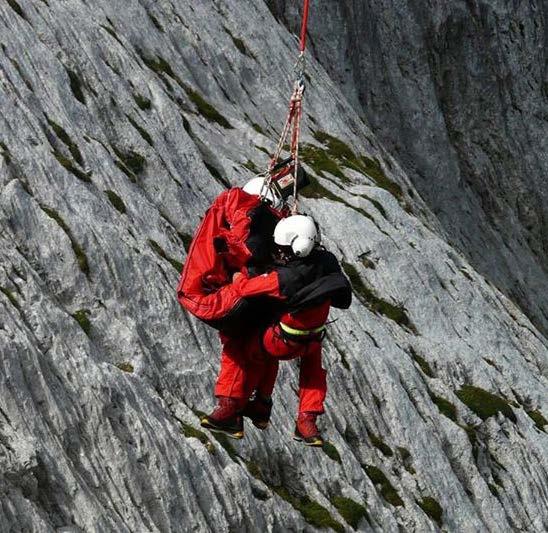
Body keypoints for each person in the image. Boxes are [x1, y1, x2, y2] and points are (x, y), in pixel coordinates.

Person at [201, 215, 352, 446]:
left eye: (283, 249)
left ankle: (230, 408)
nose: (279, 253)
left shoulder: (285, 279)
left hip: (282, 342)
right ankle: (306, 420)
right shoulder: (327, 261)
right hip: (313, 339)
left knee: (240, 347)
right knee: (312, 372)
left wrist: (238, 273)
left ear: (296, 247)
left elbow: (244, 288)